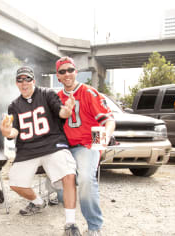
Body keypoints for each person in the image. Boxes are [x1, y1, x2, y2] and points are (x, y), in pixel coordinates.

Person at [0, 66, 82, 236]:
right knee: (15, 183)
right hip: (28, 149)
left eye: (28, 79)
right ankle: (38, 202)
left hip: (53, 145)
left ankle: (70, 223)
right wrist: (7, 132)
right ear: (17, 83)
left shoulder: (47, 93)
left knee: (69, 175)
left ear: (34, 81)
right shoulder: (14, 105)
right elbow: (15, 131)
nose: (24, 83)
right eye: (20, 80)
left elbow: (61, 112)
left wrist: (67, 110)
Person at [55, 56, 116, 236]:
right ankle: (66, 211)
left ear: (76, 72)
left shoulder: (90, 92)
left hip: (86, 144)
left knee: (86, 180)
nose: (67, 74)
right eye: (62, 71)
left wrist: (102, 141)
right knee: (60, 186)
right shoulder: (55, 98)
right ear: (57, 76)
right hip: (63, 147)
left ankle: (94, 227)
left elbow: (108, 120)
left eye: (70, 70)